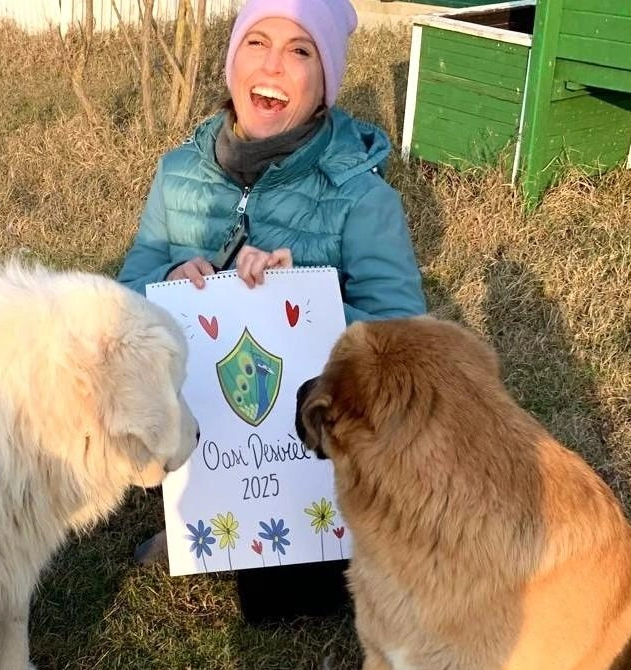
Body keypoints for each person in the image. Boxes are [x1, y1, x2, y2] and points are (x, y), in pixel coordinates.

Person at [116, 0, 426, 624]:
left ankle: (325, 539)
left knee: (294, 595)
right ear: (232, 61)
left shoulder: (361, 196)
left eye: (301, 50)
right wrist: (168, 278)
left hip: (311, 432)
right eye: (256, 42)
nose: (274, 64)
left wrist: (308, 304)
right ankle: (190, 516)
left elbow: (404, 331)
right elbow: (128, 287)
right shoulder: (177, 176)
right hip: (205, 420)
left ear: (324, 85)